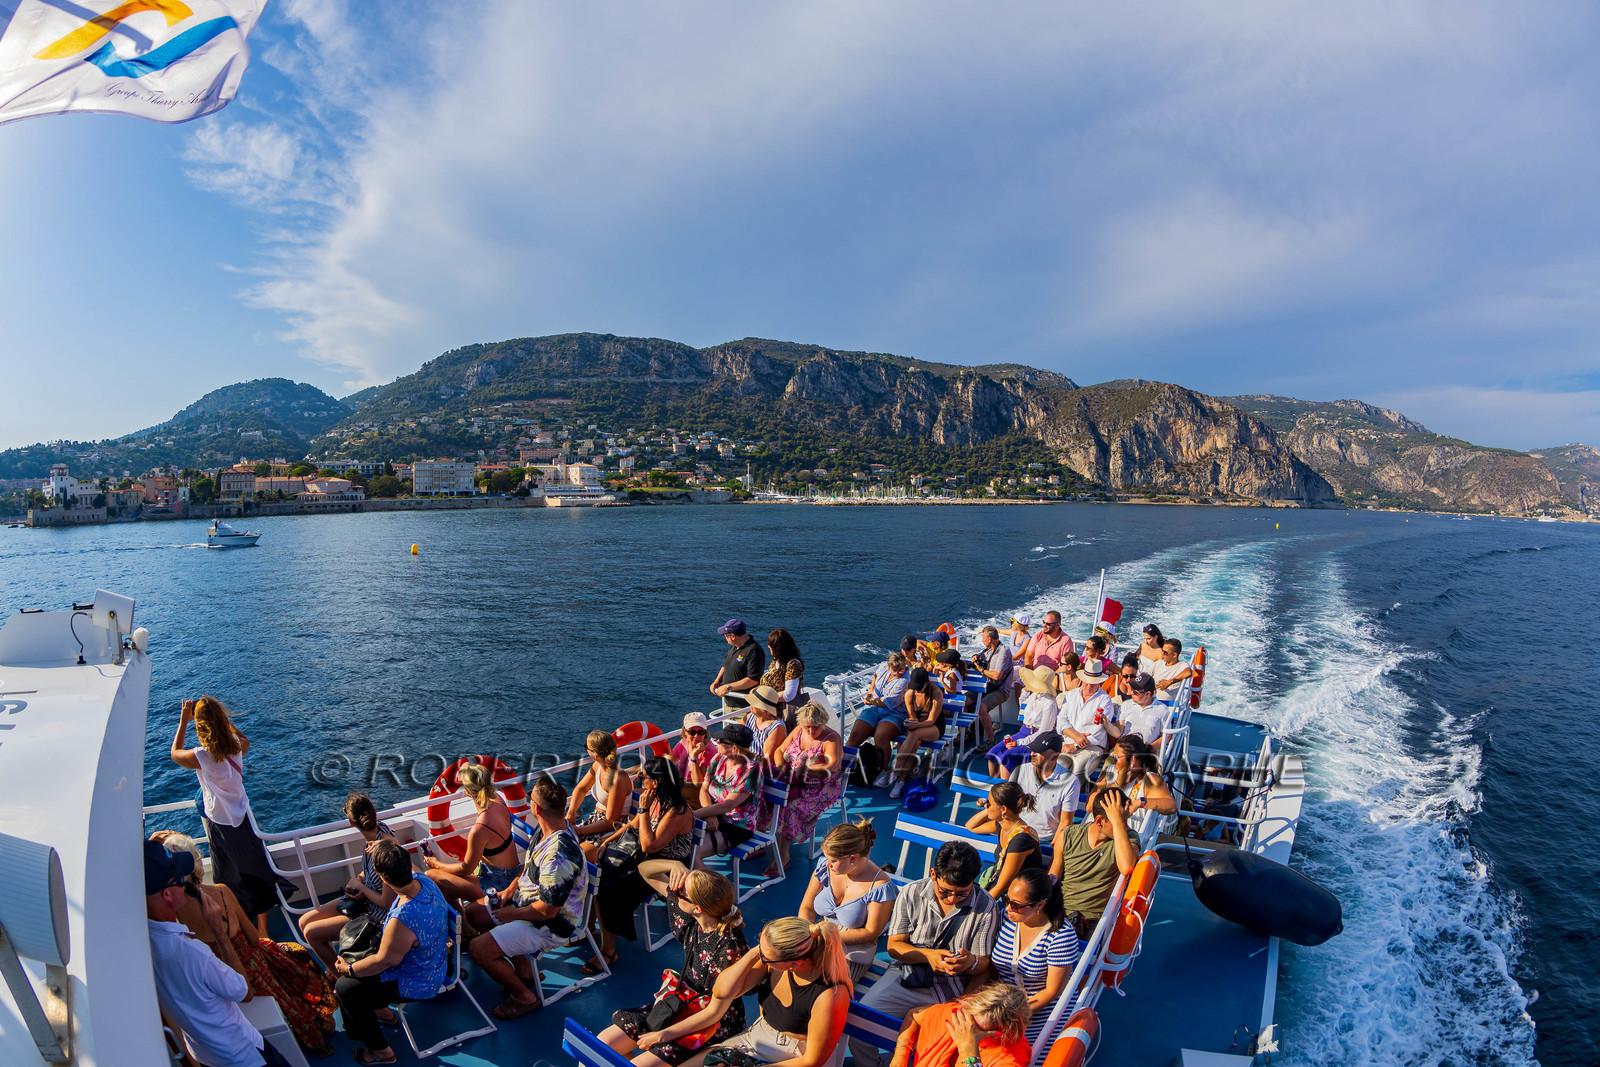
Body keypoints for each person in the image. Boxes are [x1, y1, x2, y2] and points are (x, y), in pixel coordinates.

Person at [154, 831, 337, 1057]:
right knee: (296, 954)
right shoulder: (221, 892)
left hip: (215, 982)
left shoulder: (172, 915)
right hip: (252, 971)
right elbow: (252, 938)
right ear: (197, 864)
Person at [849, 841, 1001, 1067]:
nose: (952, 899)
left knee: (941, 1051)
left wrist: (970, 963)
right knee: (859, 1027)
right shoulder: (912, 893)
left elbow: (983, 964)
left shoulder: (986, 907)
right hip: (904, 978)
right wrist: (927, 956)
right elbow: (894, 947)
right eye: (945, 891)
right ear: (933, 874)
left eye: (962, 894)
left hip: (951, 991)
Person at [146, 838, 293, 1067]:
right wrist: (220, 932)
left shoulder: (147, 942)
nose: (184, 882)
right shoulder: (193, 952)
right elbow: (244, 992)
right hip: (242, 1054)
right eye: (179, 878)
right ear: (167, 894)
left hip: (205, 1056)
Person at [639, 916, 850, 1067]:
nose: (761, 956)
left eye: (765, 955)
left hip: (791, 1056)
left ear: (793, 963)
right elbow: (721, 991)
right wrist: (753, 955)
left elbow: (812, 1060)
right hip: (755, 1039)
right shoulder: (772, 965)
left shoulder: (829, 995)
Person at [601, 865, 750, 1067]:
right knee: (603, 1044)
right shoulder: (692, 918)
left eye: (682, 891)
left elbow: (715, 1013)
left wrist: (662, 1035)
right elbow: (647, 871)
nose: (676, 891)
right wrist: (675, 866)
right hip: (681, 1003)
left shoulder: (730, 949)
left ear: (698, 908)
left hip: (712, 1021)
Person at [465, 777, 589, 1020]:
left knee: (478, 949)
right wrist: (511, 889)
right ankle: (524, 970)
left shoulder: (558, 856)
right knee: (472, 914)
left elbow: (548, 911)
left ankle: (525, 996)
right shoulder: (545, 830)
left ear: (537, 809)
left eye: (530, 799)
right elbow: (529, 867)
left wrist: (512, 914)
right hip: (526, 904)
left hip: (547, 925)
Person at [169, 696, 292, 937]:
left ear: (201, 727)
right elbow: (246, 739)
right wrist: (224, 721)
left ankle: (239, 927)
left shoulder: (202, 757)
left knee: (226, 878)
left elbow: (175, 753)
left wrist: (183, 722)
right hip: (243, 818)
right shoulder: (236, 746)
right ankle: (264, 931)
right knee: (257, 872)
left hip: (221, 825)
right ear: (222, 722)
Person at [331, 839, 451, 1065]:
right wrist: (388, 845)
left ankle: (381, 1051)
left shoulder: (402, 918)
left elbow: (384, 961)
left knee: (345, 988)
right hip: (433, 960)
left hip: (420, 980)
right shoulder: (422, 880)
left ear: (384, 880)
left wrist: (348, 969)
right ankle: (384, 1012)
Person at [593, 756, 697, 968]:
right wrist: (605, 842)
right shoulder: (654, 799)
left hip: (667, 866)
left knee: (610, 888)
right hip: (645, 857)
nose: (639, 780)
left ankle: (609, 951)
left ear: (655, 783)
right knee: (599, 873)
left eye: (643, 777)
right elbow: (631, 825)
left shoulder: (677, 810)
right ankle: (595, 930)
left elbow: (650, 846)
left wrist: (643, 810)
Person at [297, 793, 398, 969]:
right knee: (303, 921)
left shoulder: (384, 849)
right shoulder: (378, 832)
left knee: (311, 933)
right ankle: (338, 966)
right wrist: (357, 880)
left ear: (351, 823)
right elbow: (371, 873)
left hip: (376, 916)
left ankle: (341, 976)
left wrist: (361, 887)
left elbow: (388, 902)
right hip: (364, 898)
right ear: (374, 812)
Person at [991, 869, 1081, 1049]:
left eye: (1016, 904)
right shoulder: (1006, 919)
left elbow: (1052, 992)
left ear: (1039, 905)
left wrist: (1012, 1016)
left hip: (1042, 1011)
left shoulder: (1061, 935)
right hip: (1004, 1004)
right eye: (1006, 899)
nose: (1008, 908)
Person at [798, 819, 897, 982]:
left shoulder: (880, 887)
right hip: (817, 937)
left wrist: (824, 937)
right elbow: (808, 907)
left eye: (833, 860)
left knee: (816, 985)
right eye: (827, 858)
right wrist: (805, 933)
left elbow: (870, 933)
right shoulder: (825, 866)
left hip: (851, 952)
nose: (827, 864)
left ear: (852, 858)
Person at [424, 762, 521, 912]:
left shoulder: (479, 829)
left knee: (432, 875)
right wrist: (467, 768)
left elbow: (466, 869)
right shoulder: (498, 801)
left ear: (468, 792)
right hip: (511, 872)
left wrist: (436, 864)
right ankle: (464, 921)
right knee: (444, 876)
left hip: (498, 883)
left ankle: (463, 922)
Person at [768, 701, 845, 876]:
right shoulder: (798, 731)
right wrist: (780, 766)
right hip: (792, 780)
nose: (810, 731)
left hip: (820, 788)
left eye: (815, 727)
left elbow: (831, 767)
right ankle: (764, 839)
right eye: (807, 726)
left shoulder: (831, 738)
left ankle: (783, 853)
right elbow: (779, 751)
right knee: (766, 795)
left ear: (823, 723)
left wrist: (807, 770)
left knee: (790, 806)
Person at [1048, 789, 1137, 935]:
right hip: (1060, 912)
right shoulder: (1069, 835)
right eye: (1121, 821)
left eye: (1125, 821)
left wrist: (1117, 822)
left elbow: (1127, 867)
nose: (1125, 827)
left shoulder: (1128, 838)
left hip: (1094, 920)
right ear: (1099, 821)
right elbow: (1052, 878)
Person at [887, 985, 1032, 1067]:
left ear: (1002, 1032)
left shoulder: (1010, 1058)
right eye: (971, 1020)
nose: (966, 1027)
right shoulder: (958, 1015)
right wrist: (900, 1056)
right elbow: (914, 1016)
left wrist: (970, 1054)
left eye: (977, 1029)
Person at [693, 722, 760, 866]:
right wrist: (709, 815)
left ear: (734, 747)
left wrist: (692, 815)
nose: (716, 742)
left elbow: (727, 806)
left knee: (693, 852)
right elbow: (704, 789)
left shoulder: (751, 771)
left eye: (722, 741)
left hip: (737, 826)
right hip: (714, 817)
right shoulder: (718, 759)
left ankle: (709, 888)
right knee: (679, 841)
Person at [963, 782, 1042, 900]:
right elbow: (971, 826)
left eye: (989, 803)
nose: (985, 805)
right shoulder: (1002, 825)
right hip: (1001, 886)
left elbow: (1001, 886)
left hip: (1018, 894)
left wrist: (977, 909)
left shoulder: (1021, 839)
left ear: (1004, 809)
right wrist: (990, 809)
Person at [572, 730, 637, 861]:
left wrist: (579, 830)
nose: (586, 750)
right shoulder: (598, 766)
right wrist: (570, 813)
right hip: (594, 820)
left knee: (574, 857)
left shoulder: (617, 778)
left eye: (587, 747)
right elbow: (582, 788)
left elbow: (610, 822)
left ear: (595, 754)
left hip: (611, 830)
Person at [984, 666, 1059, 778]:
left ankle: (1005, 791)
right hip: (1022, 733)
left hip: (1036, 740)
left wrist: (1019, 743)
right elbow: (1022, 707)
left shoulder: (1050, 704)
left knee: (1008, 757)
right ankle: (995, 786)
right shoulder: (1035, 695)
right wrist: (1025, 691)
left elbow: (1044, 733)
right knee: (993, 753)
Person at [1010, 732, 1080, 841]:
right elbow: (1009, 806)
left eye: (1039, 752)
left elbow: (1065, 823)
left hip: (1041, 840)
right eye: (1032, 749)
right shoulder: (1020, 771)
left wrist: (1054, 849)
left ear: (1055, 756)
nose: (1033, 753)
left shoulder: (1070, 782)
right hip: (1016, 833)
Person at [888, 667, 944, 799]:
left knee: (914, 735)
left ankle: (896, 768)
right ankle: (901, 780)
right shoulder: (910, 694)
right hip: (917, 727)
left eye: (920, 687)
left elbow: (931, 720)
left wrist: (916, 725)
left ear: (927, 682)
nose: (917, 690)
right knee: (915, 742)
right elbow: (912, 716)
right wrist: (911, 723)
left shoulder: (936, 693)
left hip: (934, 726)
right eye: (915, 687)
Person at [1055, 660, 1116, 779]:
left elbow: (1097, 731)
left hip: (1091, 747)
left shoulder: (1105, 700)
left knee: (1075, 775)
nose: (1088, 686)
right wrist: (1075, 737)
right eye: (1086, 682)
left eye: (1093, 683)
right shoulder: (1071, 695)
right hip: (1068, 744)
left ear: (1099, 683)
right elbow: (1061, 721)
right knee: (1055, 771)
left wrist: (1075, 745)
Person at [847, 652, 909, 765]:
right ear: (889, 667)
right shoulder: (883, 666)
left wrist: (869, 701)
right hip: (875, 708)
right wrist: (871, 691)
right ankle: (843, 770)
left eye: (901, 670)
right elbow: (876, 676)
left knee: (880, 737)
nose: (898, 674)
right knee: (855, 735)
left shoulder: (904, 681)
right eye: (894, 670)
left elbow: (887, 702)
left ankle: (882, 770)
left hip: (895, 713)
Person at [1102, 736, 1178, 816]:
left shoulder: (1149, 779)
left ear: (1133, 760)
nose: (1114, 760)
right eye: (1114, 756)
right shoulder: (1109, 770)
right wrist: (1117, 783)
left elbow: (1171, 806)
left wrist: (1139, 803)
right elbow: (1089, 806)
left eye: (1118, 757)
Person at [711, 618, 766, 711]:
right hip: (729, 702)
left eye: (725, 636)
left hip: (743, 706)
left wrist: (728, 687)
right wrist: (717, 681)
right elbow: (726, 665)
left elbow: (753, 680)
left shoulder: (754, 650)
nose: (725, 638)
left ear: (732, 636)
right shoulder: (734, 647)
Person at [1106, 672, 1165, 749]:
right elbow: (1119, 732)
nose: (1130, 693)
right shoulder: (1125, 705)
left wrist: (1150, 747)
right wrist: (1105, 723)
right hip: (1124, 750)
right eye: (1132, 689)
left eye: (1135, 692)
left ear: (1147, 693)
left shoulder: (1162, 710)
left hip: (1146, 754)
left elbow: (1166, 736)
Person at [971, 626, 1014, 726]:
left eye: (983, 638)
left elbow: (997, 676)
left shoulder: (1003, 652)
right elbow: (979, 657)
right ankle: (969, 733)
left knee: (981, 708)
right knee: (964, 702)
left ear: (989, 639)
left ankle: (990, 740)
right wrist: (974, 656)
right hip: (988, 687)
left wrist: (981, 670)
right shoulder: (989, 650)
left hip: (1000, 690)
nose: (982, 640)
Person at [762, 628, 807, 716]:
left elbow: (789, 695)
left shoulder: (793, 665)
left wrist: (766, 697)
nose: (768, 646)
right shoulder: (776, 661)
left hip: (783, 714)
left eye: (770, 645)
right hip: (770, 711)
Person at [743, 685, 790, 766]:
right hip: (745, 761)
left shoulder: (777, 727)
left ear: (762, 708)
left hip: (757, 769)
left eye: (753, 703)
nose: (750, 705)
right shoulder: (750, 717)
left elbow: (767, 760)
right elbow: (733, 734)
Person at [673, 713, 717, 796]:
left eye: (700, 732)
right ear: (685, 732)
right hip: (683, 785)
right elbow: (671, 757)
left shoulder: (710, 752)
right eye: (692, 732)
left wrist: (694, 756)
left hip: (699, 793)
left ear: (705, 733)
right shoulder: (684, 743)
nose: (696, 736)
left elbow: (698, 783)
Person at [1152, 638, 1192, 704]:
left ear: (1174, 655)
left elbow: (1188, 672)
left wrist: (1169, 682)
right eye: (1162, 651)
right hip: (1151, 701)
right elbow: (1145, 675)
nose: (1162, 654)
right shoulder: (1158, 663)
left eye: (1165, 652)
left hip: (1169, 706)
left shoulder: (1181, 665)